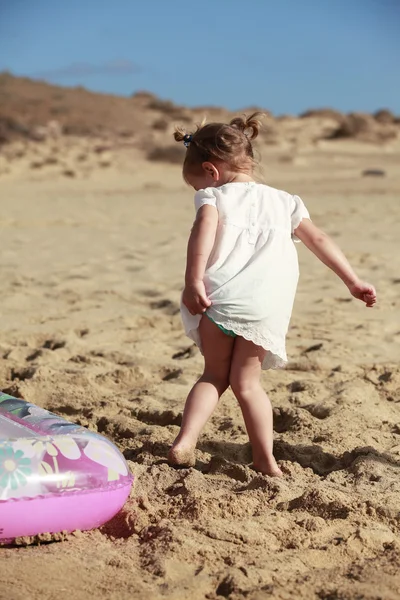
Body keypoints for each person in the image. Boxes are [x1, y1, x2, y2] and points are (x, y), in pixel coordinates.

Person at [167, 113, 377, 476]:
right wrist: (352, 281)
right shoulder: (286, 202)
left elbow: (201, 234)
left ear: (211, 171)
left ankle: (185, 442)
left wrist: (193, 282)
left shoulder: (213, 197)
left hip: (218, 302)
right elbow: (320, 240)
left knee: (213, 376)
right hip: (263, 309)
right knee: (247, 384)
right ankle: (266, 460)